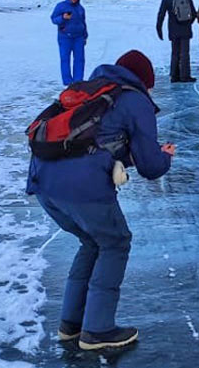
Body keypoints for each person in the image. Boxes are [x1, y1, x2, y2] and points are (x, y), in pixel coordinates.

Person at [26, 50, 175, 350]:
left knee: (93, 242)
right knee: (115, 242)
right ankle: (98, 330)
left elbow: (94, 143)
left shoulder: (87, 92)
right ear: (145, 81)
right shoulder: (134, 100)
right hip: (81, 188)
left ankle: (71, 324)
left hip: (44, 184)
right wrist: (164, 156)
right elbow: (151, 166)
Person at [156, 0, 198, 83]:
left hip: (173, 30)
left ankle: (174, 76)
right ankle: (185, 76)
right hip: (186, 30)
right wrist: (188, 23)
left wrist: (159, 29)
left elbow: (161, 14)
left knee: (175, 53)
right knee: (185, 53)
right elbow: (193, 13)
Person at [51, 0, 88, 85]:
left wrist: (85, 36)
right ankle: (67, 82)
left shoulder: (81, 8)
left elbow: (83, 23)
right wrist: (62, 18)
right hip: (65, 37)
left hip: (79, 37)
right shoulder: (61, 6)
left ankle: (78, 81)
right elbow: (53, 19)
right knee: (65, 59)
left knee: (80, 59)